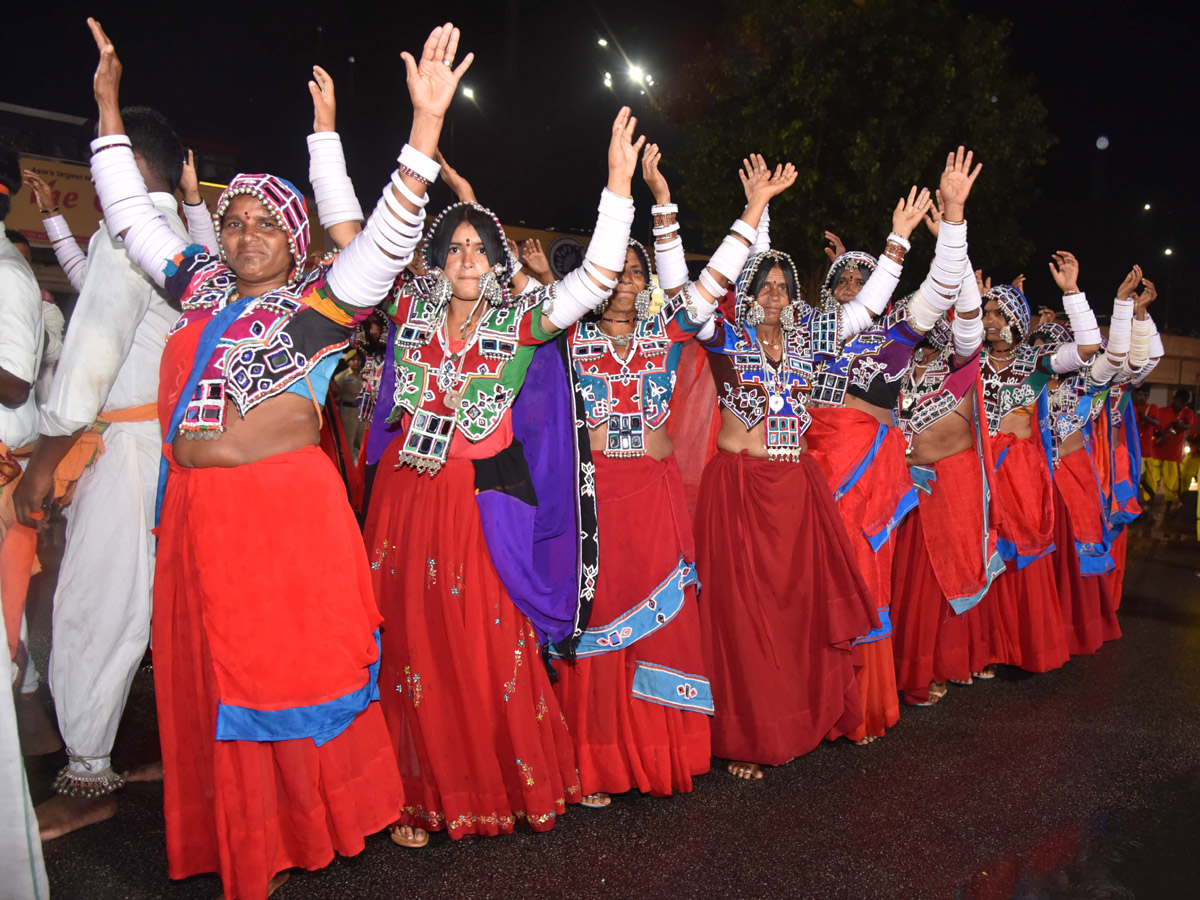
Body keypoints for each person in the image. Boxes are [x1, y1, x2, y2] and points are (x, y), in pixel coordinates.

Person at [72, 17, 478, 897]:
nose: (247, 232)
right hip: (193, 522)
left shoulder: (318, 305)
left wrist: (423, 132)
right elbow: (130, 215)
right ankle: (232, 834)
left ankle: (297, 831)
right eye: (235, 219)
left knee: (279, 681)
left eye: (266, 223)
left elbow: (386, 242)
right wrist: (107, 109)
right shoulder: (201, 285)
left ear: (295, 241)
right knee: (211, 682)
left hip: (279, 526)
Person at [362, 106, 646, 846]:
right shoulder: (407, 310)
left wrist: (617, 186)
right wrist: (382, 137)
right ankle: (413, 792)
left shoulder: (520, 324)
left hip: (472, 503)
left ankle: (487, 785)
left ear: (494, 262)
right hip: (401, 497)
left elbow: (595, 280)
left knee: (478, 637)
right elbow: (353, 251)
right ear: (437, 260)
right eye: (452, 246)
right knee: (407, 642)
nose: (464, 257)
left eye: (476, 247)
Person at [549, 146, 790, 806]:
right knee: (597, 621)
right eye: (616, 272)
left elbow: (711, 283)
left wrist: (750, 209)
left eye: (635, 272)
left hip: (653, 497)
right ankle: (595, 764)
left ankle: (659, 755)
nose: (626, 281)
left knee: (659, 623)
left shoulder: (665, 332)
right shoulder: (569, 338)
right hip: (595, 502)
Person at [15, 106, 193, 839]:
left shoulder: (132, 238)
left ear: (127, 165)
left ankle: (88, 778)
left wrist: (45, 465)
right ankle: (177, 757)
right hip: (156, 449)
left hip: (128, 452)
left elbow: (89, 358)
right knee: (155, 610)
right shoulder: (167, 239)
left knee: (96, 606)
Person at [889, 228, 1002, 707]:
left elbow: (972, 324)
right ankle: (894, 667)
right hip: (898, 492)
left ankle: (929, 666)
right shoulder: (892, 365)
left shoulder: (959, 366)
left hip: (944, 487)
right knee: (899, 585)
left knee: (935, 586)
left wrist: (956, 242)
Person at [979, 252, 1102, 676]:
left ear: (1015, 316)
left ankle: (1026, 647)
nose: (989, 320)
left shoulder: (1035, 361)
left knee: (1020, 558)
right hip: (979, 468)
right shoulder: (970, 359)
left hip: (1019, 472)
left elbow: (1087, 349)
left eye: (997, 312)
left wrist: (1072, 293)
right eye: (985, 312)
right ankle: (986, 648)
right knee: (984, 555)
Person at [1147, 388, 1194, 506]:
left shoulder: (1186, 413)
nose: (1178, 404)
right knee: (1153, 478)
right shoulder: (1162, 411)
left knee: (1170, 482)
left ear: (1185, 403)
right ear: (1174, 399)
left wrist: (1181, 425)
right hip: (1157, 450)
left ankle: (1168, 505)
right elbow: (1154, 428)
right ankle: (1149, 500)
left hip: (1173, 453)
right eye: (1177, 401)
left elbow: (1188, 425)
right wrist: (1157, 434)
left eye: (1181, 403)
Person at [332, 348, 365, 454]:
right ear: (348, 361)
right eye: (353, 359)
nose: (356, 362)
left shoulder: (365, 375)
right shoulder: (343, 376)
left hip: (362, 412)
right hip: (347, 411)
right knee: (347, 441)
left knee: (363, 442)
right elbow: (336, 394)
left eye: (358, 360)